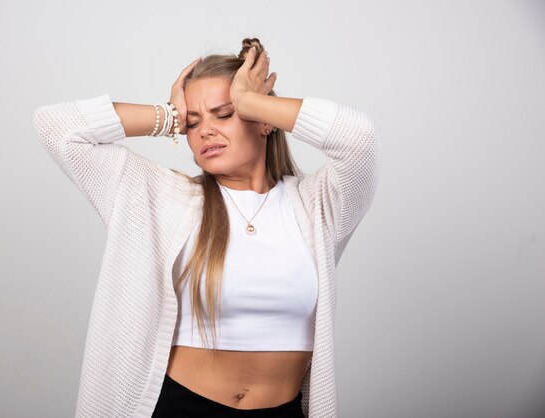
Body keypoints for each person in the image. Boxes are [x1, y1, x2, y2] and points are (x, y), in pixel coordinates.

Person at [32, 37, 381, 418]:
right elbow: (55, 125)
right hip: (178, 407)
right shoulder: (162, 197)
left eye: (225, 114)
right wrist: (168, 117)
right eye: (193, 123)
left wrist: (254, 102)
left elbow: (359, 139)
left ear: (266, 122)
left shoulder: (317, 205)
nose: (204, 132)